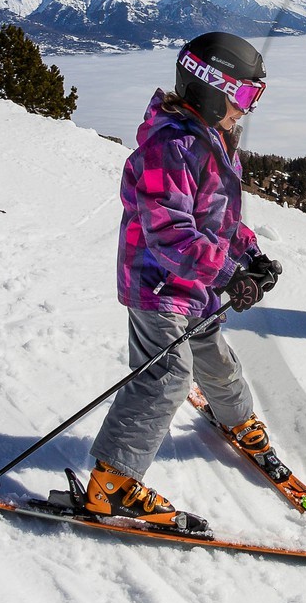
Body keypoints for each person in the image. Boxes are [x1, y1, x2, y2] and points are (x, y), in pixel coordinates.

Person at [84, 32, 284, 533]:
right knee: (166, 377)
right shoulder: (169, 148)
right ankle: (113, 486)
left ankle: (235, 418)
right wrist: (228, 273)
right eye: (244, 96)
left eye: (254, 98)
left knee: (214, 356)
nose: (247, 109)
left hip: (196, 287)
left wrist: (250, 255)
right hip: (158, 288)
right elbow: (171, 236)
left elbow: (219, 218)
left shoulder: (216, 141)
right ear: (210, 87)